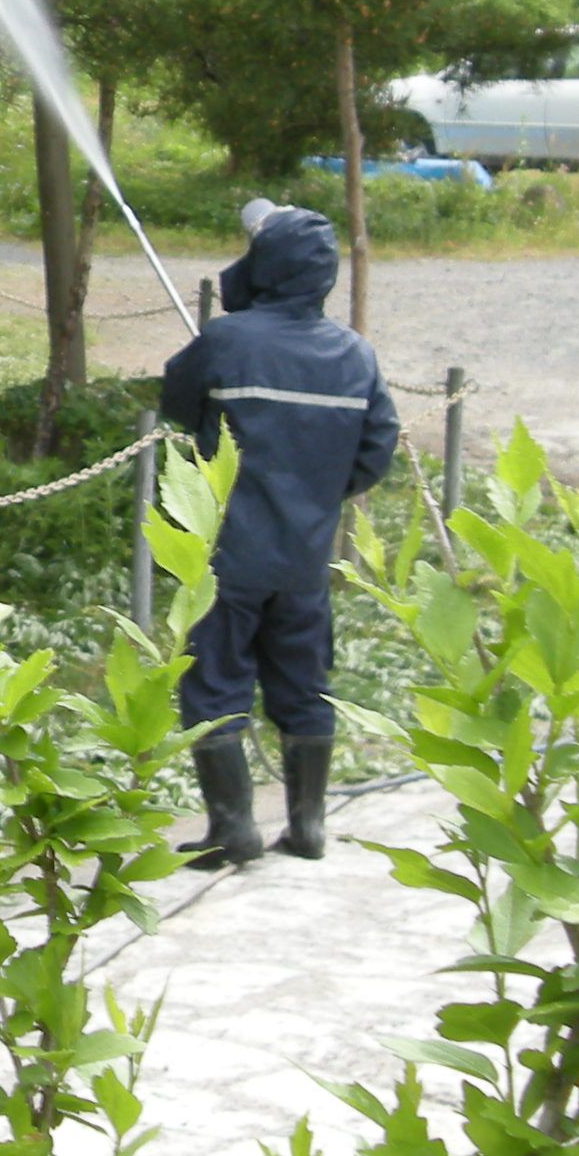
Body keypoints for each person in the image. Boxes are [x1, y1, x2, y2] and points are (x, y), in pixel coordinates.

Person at [155, 202, 402, 868]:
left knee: (213, 683)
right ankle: (308, 825)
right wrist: (319, 494)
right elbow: (378, 447)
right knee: (304, 681)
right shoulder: (355, 355)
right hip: (304, 558)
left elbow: (175, 401)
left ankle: (232, 828)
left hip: (228, 555)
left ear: (265, 264)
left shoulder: (229, 341)